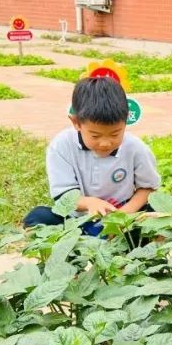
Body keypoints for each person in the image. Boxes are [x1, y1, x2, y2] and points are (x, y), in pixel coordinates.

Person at [25, 74, 160, 236]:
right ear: (76, 123)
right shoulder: (61, 146)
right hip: (78, 219)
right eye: (95, 136)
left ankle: (121, 237)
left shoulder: (136, 148)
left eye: (115, 134)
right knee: (38, 217)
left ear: (126, 121)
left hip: (124, 217)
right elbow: (63, 195)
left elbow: (148, 188)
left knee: (158, 210)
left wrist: (123, 216)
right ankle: (80, 238)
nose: (105, 143)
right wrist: (90, 203)